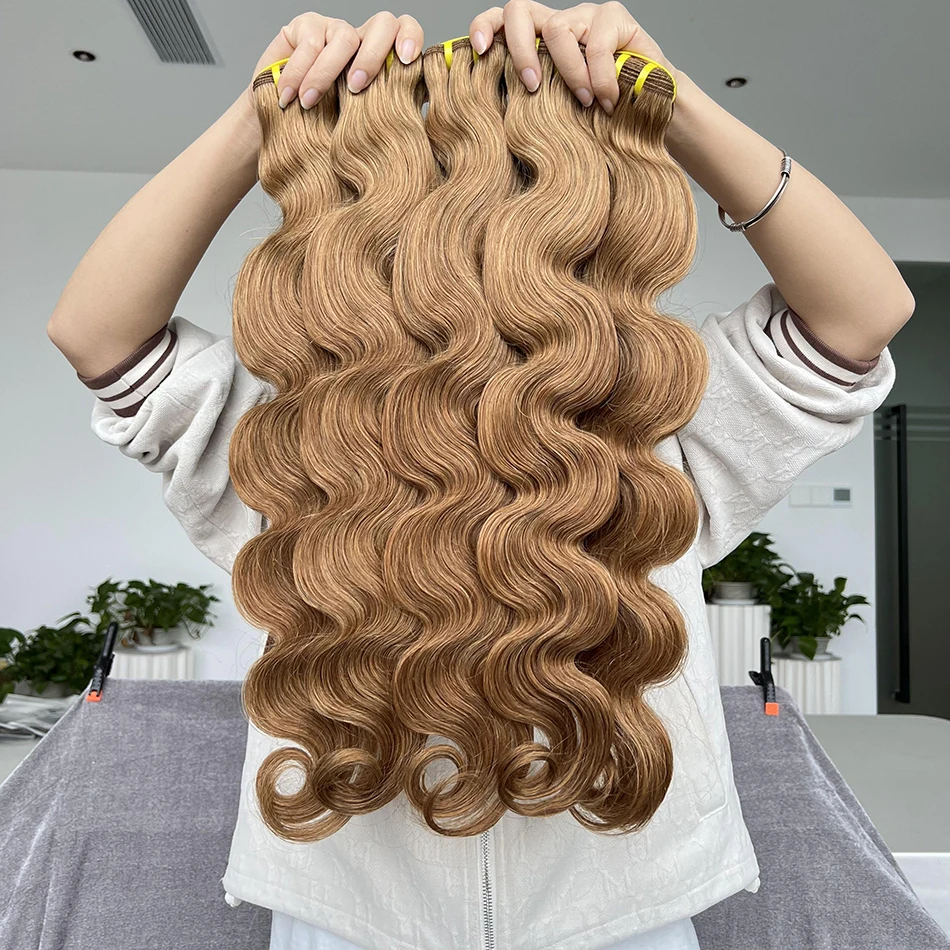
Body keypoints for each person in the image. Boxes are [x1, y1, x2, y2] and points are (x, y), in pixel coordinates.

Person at [46, 4, 910, 949]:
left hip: (619, 913)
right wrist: (261, 119)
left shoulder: (650, 430)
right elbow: (96, 334)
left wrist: (670, 101)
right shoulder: (296, 446)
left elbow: (863, 313)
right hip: (352, 917)